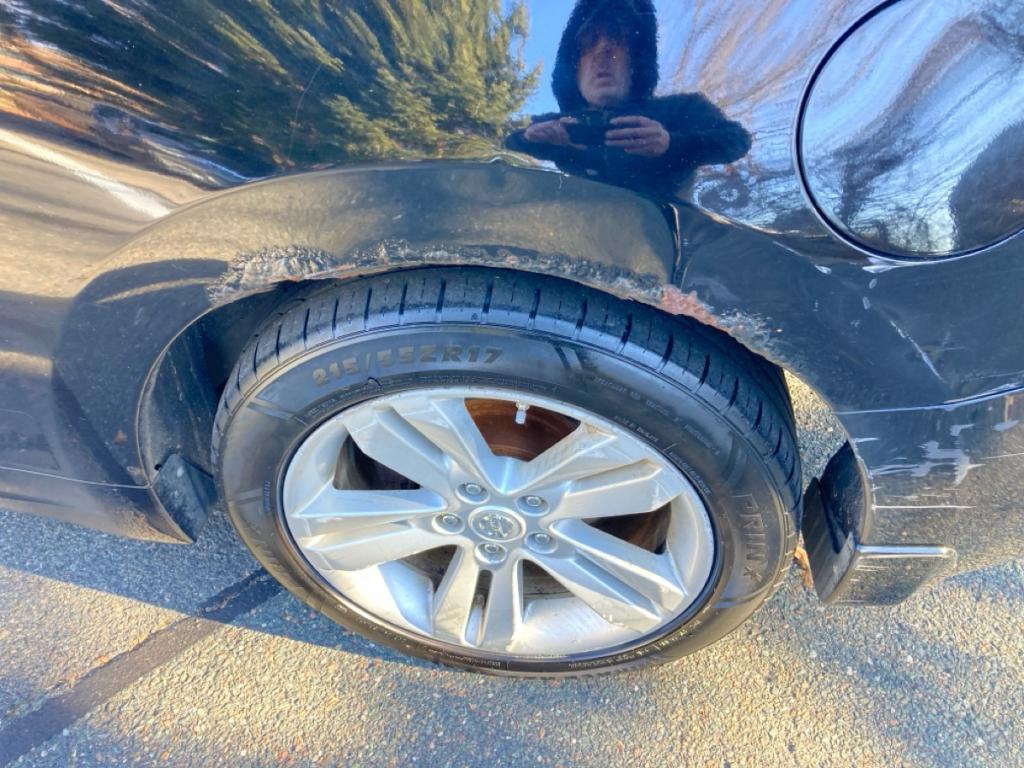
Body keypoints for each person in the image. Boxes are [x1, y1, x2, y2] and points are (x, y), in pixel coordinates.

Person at [506, 0, 751, 198]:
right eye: (589, 42)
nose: (603, 51)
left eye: (618, 39)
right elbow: (505, 145)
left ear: (637, 60)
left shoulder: (681, 110)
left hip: (669, 237)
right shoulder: (557, 125)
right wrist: (535, 141)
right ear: (573, 70)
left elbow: (737, 139)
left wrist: (671, 145)